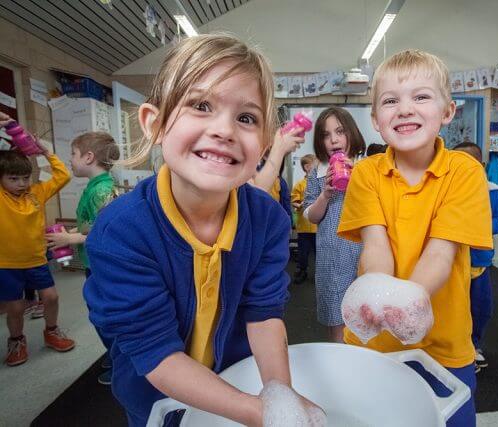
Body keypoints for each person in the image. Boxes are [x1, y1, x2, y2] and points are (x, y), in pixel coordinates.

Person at [83, 34, 322, 426]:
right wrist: (260, 413)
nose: (224, 130)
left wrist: (281, 396)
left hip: (236, 380)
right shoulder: (121, 232)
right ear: (154, 123)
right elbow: (154, 351)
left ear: (264, 143)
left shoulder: (267, 219)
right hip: (154, 400)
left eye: (246, 118)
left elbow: (263, 314)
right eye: (201, 105)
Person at [337, 50, 492, 427]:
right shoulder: (367, 173)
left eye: (421, 97)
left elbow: (441, 252)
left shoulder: (464, 172)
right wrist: (379, 298)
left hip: (445, 346)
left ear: (448, 111)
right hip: (375, 345)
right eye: (391, 101)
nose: (405, 109)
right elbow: (376, 246)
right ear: (376, 119)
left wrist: (406, 305)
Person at [0, 112, 75, 367]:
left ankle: (51, 331)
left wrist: (44, 151)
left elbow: (63, 176)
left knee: (51, 297)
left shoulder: (36, 193)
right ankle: (16, 340)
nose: (21, 183)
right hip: (7, 264)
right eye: (13, 179)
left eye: (25, 178)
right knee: (16, 308)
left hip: (36, 260)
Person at [45, 131, 119, 385]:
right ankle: (114, 353)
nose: (71, 161)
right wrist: (74, 232)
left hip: (102, 266)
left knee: (104, 316)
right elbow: (92, 225)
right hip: (92, 264)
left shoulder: (103, 191)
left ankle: (121, 364)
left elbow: (108, 233)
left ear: (88, 157)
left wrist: (71, 240)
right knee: (97, 312)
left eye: (73, 155)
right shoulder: (94, 187)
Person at [303, 107, 365, 343]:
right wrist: (326, 194)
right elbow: (311, 216)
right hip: (331, 257)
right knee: (336, 320)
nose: (334, 140)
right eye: (326, 135)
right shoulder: (317, 174)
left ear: (352, 132)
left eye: (340, 131)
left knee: (366, 316)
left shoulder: (367, 168)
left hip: (363, 254)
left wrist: (357, 176)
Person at [453, 142, 498, 372]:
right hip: (454, 265)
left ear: (481, 166)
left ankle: (474, 345)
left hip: (480, 263)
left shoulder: (492, 191)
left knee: (480, 307)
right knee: (456, 308)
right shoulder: (448, 191)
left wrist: (475, 228)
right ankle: (456, 345)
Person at [291, 154, 317, 284]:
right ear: (307, 167)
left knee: (320, 252)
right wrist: (299, 204)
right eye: (315, 164)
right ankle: (302, 270)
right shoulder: (300, 185)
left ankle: (321, 274)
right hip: (304, 226)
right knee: (303, 252)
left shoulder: (320, 183)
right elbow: (294, 201)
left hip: (318, 227)